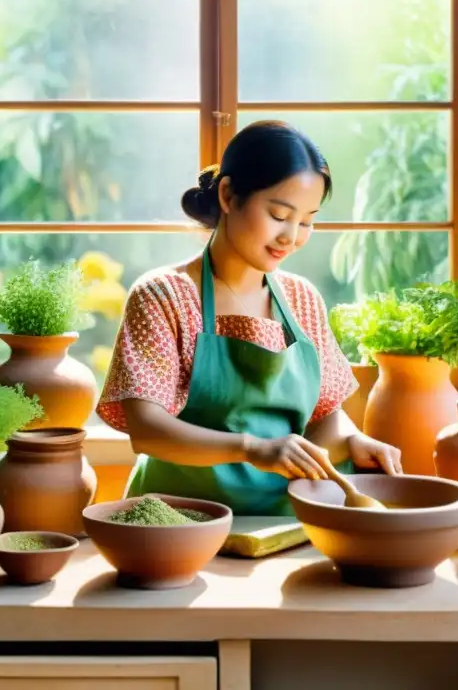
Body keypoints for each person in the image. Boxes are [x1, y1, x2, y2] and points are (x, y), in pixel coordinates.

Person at [96, 120, 403, 516]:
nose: (291, 236)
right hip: (182, 520)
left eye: (307, 221)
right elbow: (147, 430)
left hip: (287, 520)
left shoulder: (302, 300)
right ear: (228, 195)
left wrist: (352, 439)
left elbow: (324, 416)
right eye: (279, 214)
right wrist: (253, 449)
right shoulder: (164, 295)